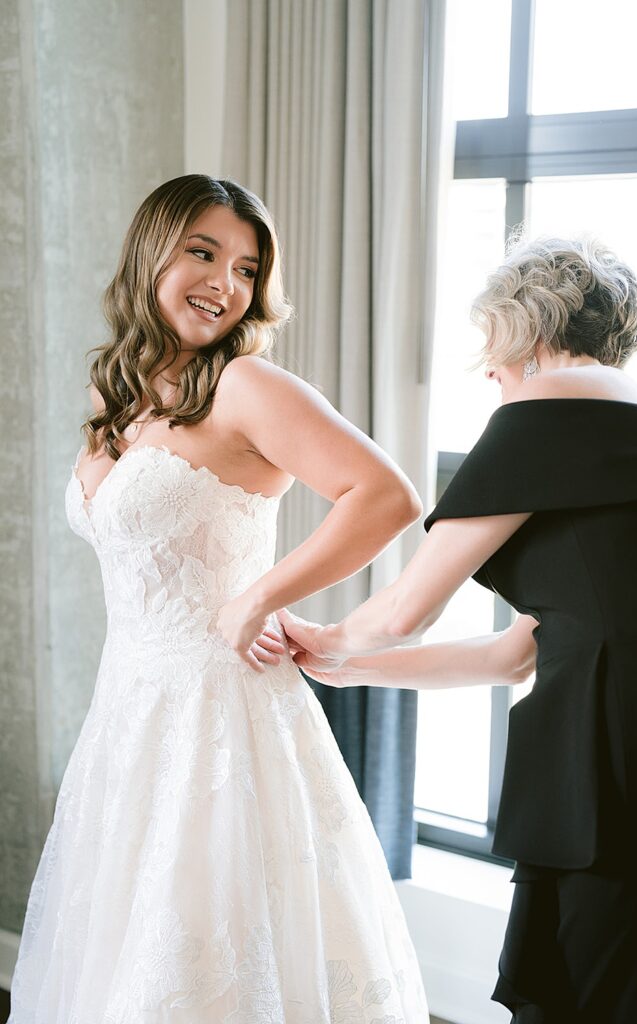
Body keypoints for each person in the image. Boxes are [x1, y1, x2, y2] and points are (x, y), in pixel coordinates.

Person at [8, 174, 430, 1023]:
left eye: (245, 268)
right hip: (129, 708)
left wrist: (260, 595)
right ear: (148, 254)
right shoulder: (117, 394)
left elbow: (387, 495)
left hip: (222, 708)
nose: (225, 284)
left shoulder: (247, 386)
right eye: (203, 253)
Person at [280, 236, 637, 1022]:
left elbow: (404, 610)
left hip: (604, 763)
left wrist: (325, 636)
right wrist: (345, 668)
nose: (487, 373)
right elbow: (511, 655)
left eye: (489, 351)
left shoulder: (544, 409)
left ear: (525, 331)